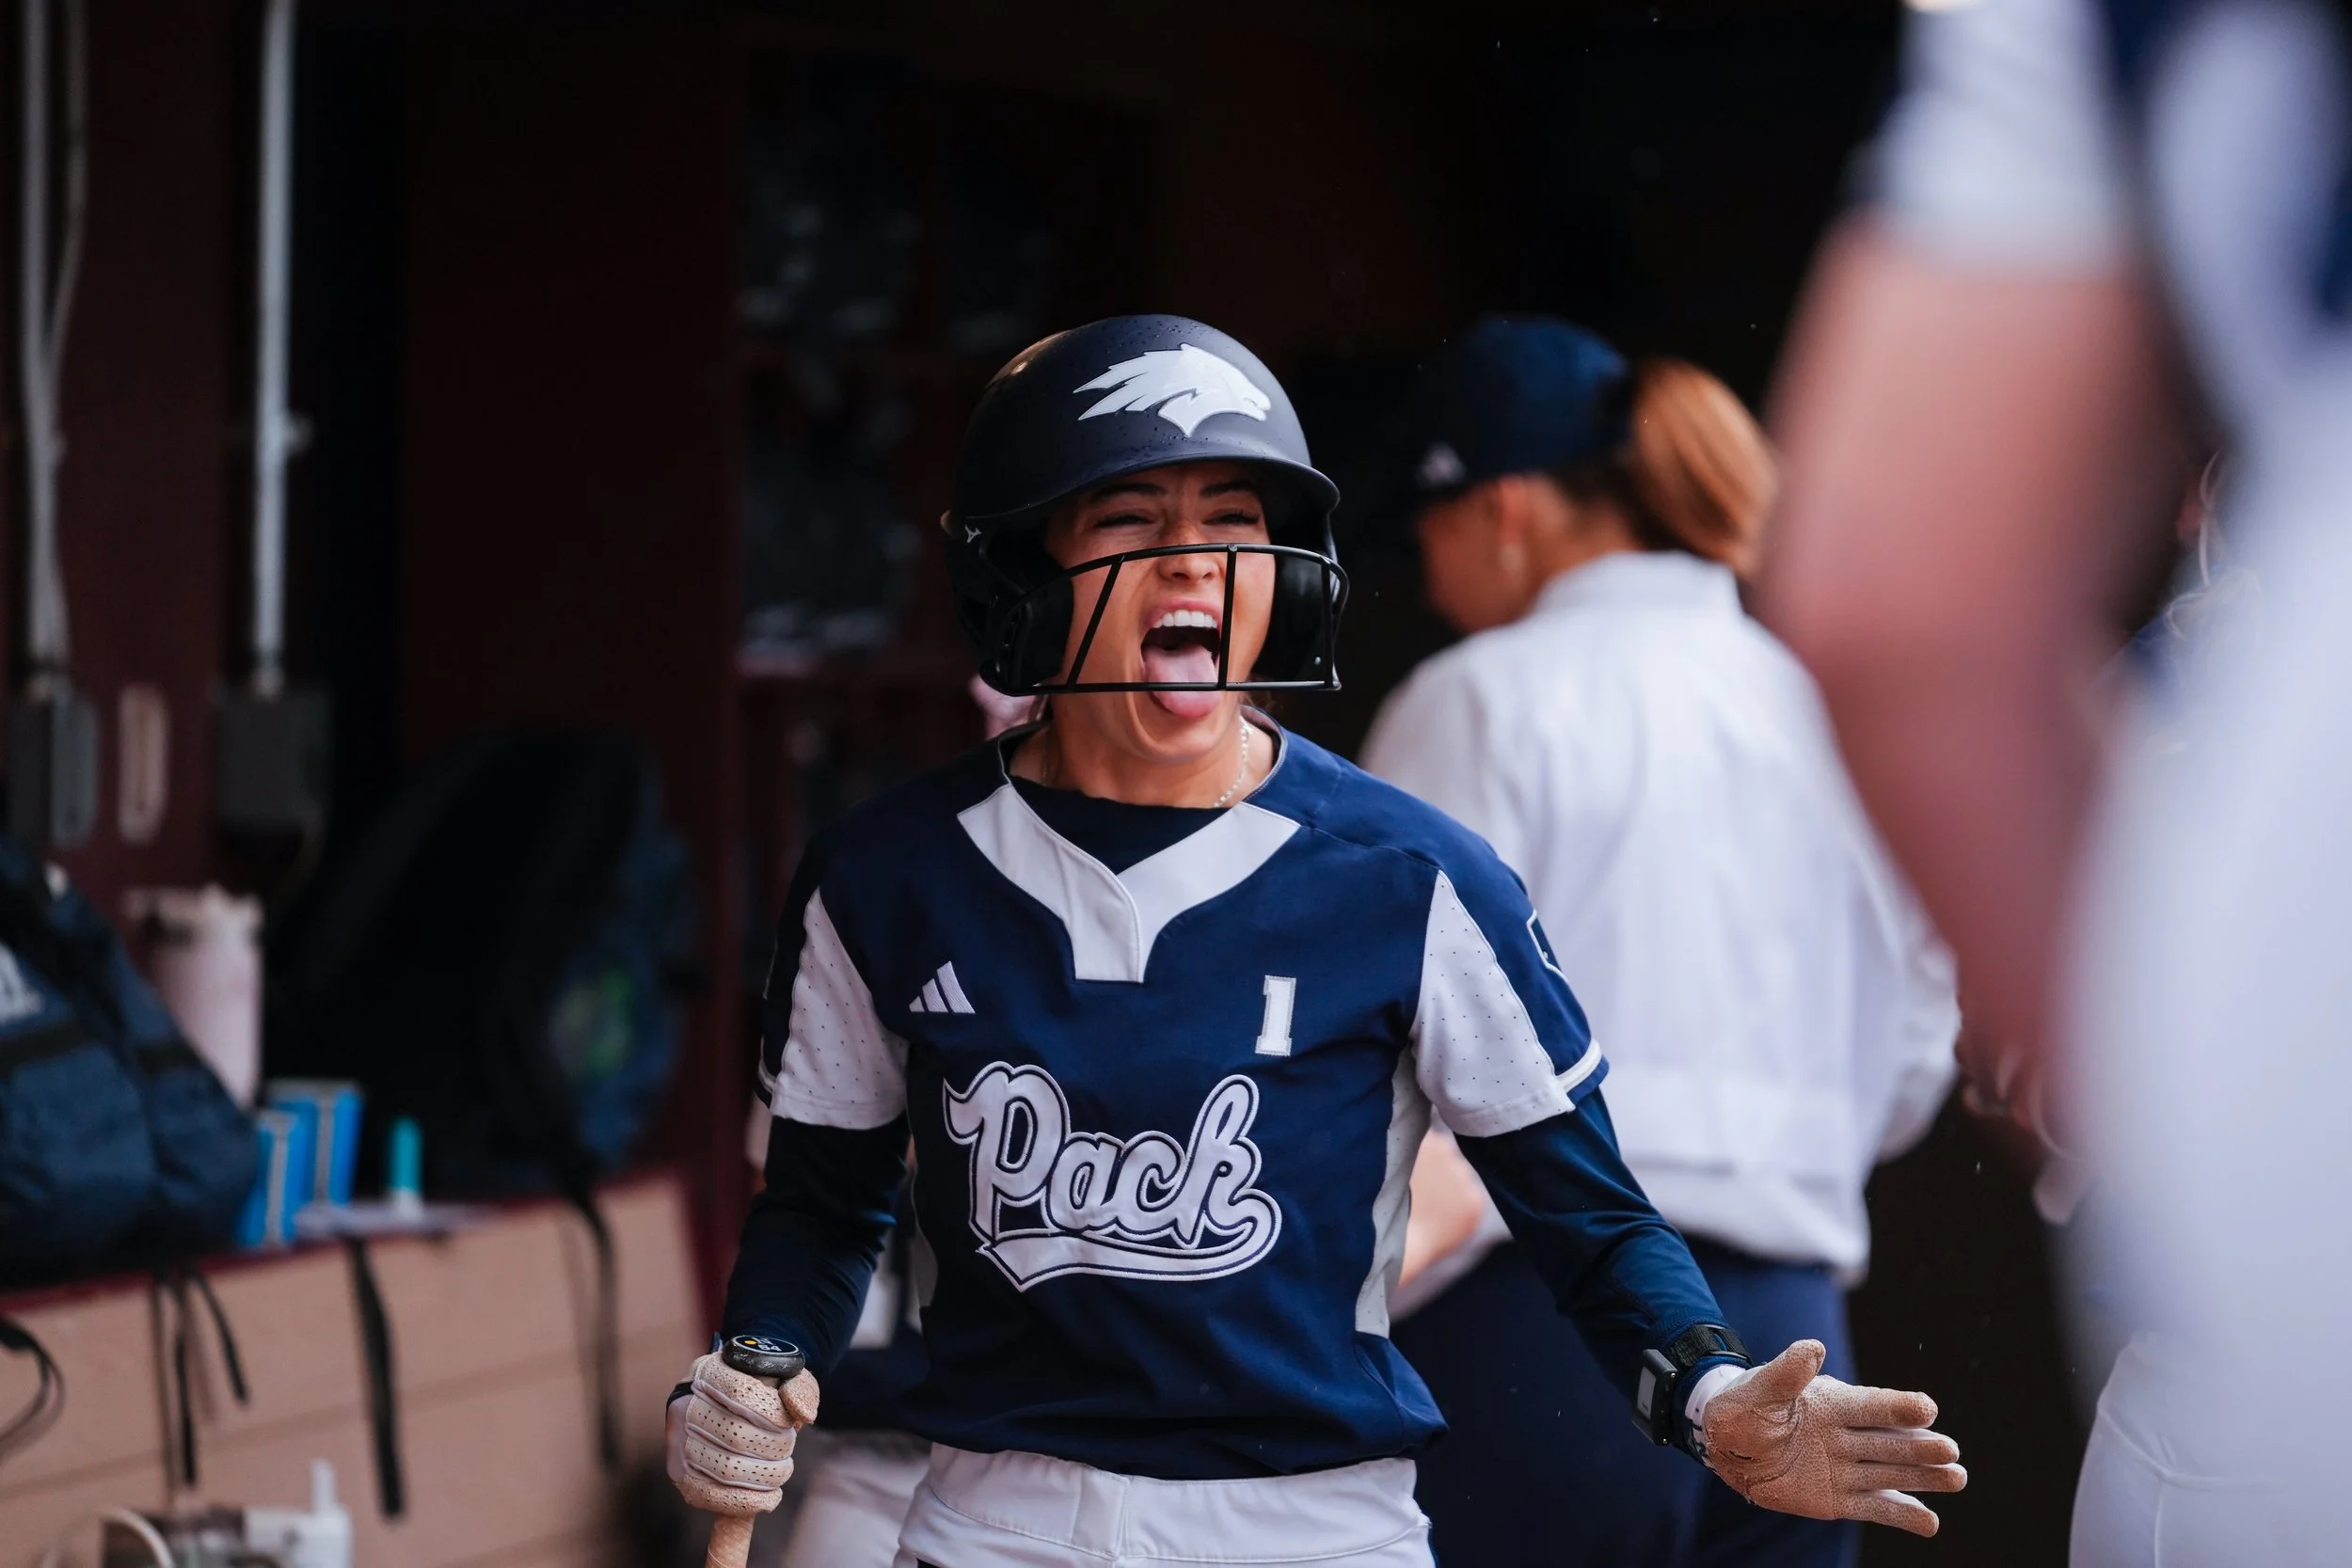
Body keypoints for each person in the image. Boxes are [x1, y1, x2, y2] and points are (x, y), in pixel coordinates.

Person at [665, 314, 1965, 1568]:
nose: (1191, 563)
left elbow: (1586, 1209)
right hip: (990, 1524)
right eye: (1130, 517)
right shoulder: (888, 871)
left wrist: (1706, 1385)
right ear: (1023, 568)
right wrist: (759, 1359)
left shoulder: (1411, 871)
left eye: (1233, 523)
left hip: (1306, 1529)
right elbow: (822, 1205)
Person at [1761, 1, 2352, 1561]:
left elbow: (1906, 617)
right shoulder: (2165, 676)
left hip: (2265, 1328)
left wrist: (2172, 1140)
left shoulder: (2196, 680)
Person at [1358, 316, 1959, 1568]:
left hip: (1548, 1328)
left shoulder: (1481, 696)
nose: (1431, 581)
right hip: (1800, 1329)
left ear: (1504, 508)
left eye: (1432, 534)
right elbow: (1917, 1046)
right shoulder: (1818, 704)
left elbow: (1379, 1031)